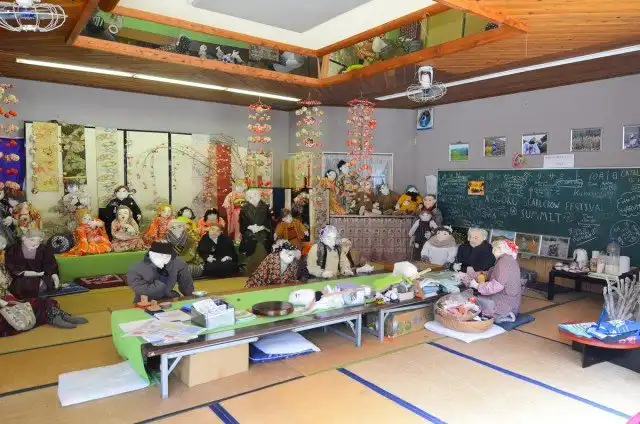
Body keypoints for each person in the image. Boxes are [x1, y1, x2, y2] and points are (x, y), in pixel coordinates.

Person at [461, 239, 523, 323]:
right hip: (510, 301)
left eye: (494, 249)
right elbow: (492, 273)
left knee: (472, 303)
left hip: (504, 302)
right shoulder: (508, 260)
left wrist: (477, 286)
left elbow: (496, 286)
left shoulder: (504, 262)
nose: (492, 251)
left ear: (499, 249)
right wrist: (474, 273)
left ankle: (502, 314)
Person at [127, 242, 194, 302]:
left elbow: (186, 285)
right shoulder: (135, 270)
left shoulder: (178, 263)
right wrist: (162, 282)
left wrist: (192, 299)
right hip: (145, 303)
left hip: (170, 300)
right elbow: (146, 294)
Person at [5, 229, 61, 299]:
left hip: (41, 276)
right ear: (24, 238)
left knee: (46, 284)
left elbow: (50, 263)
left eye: (38, 241)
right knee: (26, 285)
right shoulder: (13, 249)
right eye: (32, 240)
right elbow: (11, 266)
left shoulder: (45, 249)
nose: (35, 244)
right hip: (22, 277)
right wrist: (26, 273)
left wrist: (54, 274)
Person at [239, 189, 272, 275]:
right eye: (250, 196)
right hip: (249, 233)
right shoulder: (244, 208)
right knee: (251, 243)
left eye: (254, 195)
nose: (252, 198)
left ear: (259, 196)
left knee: (262, 245)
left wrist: (263, 227)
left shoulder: (265, 207)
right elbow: (242, 224)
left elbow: (270, 222)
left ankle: (263, 272)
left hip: (263, 233)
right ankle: (250, 271)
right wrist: (250, 227)